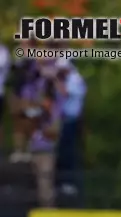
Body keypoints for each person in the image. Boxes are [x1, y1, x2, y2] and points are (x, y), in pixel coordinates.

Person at [24, 63, 61, 207]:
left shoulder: (55, 113)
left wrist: (46, 115)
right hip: (33, 149)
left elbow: (53, 133)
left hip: (46, 152)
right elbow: (27, 126)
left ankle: (48, 213)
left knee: (45, 187)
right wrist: (34, 118)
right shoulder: (37, 112)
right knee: (30, 188)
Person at [53, 58, 84, 196]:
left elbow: (65, 92)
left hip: (71, 120)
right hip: (63, 120)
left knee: (69, 152)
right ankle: (61, 182)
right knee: (61, 152)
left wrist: (55, 82)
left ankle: (69, 183)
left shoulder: (75, 79)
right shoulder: (66, 78)